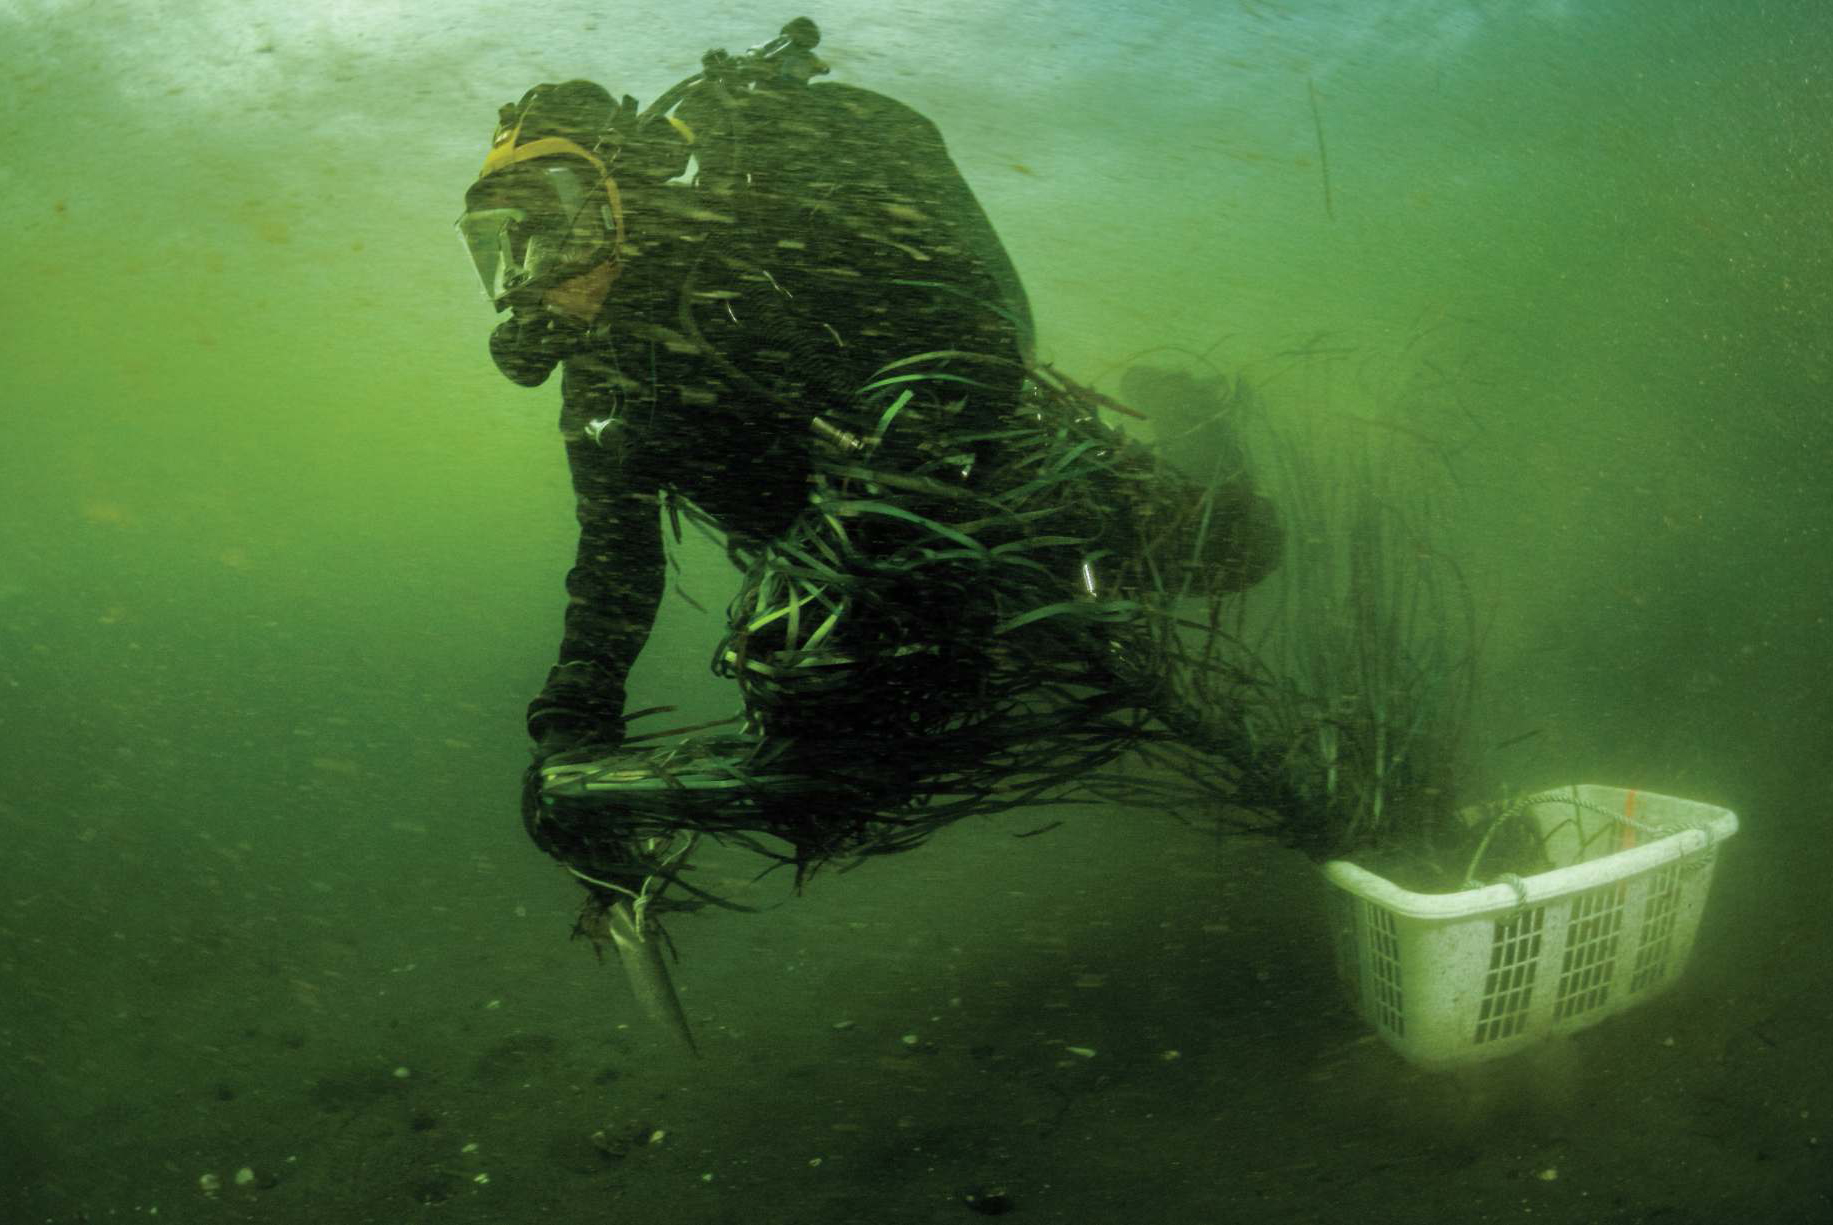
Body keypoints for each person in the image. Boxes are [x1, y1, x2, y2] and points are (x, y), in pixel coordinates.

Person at [458, 20, 1283, 907]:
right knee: (883, 709)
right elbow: (616, 564)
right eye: (502, 243)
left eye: (551, 226)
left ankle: (1203, 424)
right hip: (870, 579)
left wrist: (926, 476)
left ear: (614, 198)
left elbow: (973, 331)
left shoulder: (760, 247)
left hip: (1012, 490)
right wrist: (573, 722)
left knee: (1238, 552)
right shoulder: (600, 383)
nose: (527, 273)